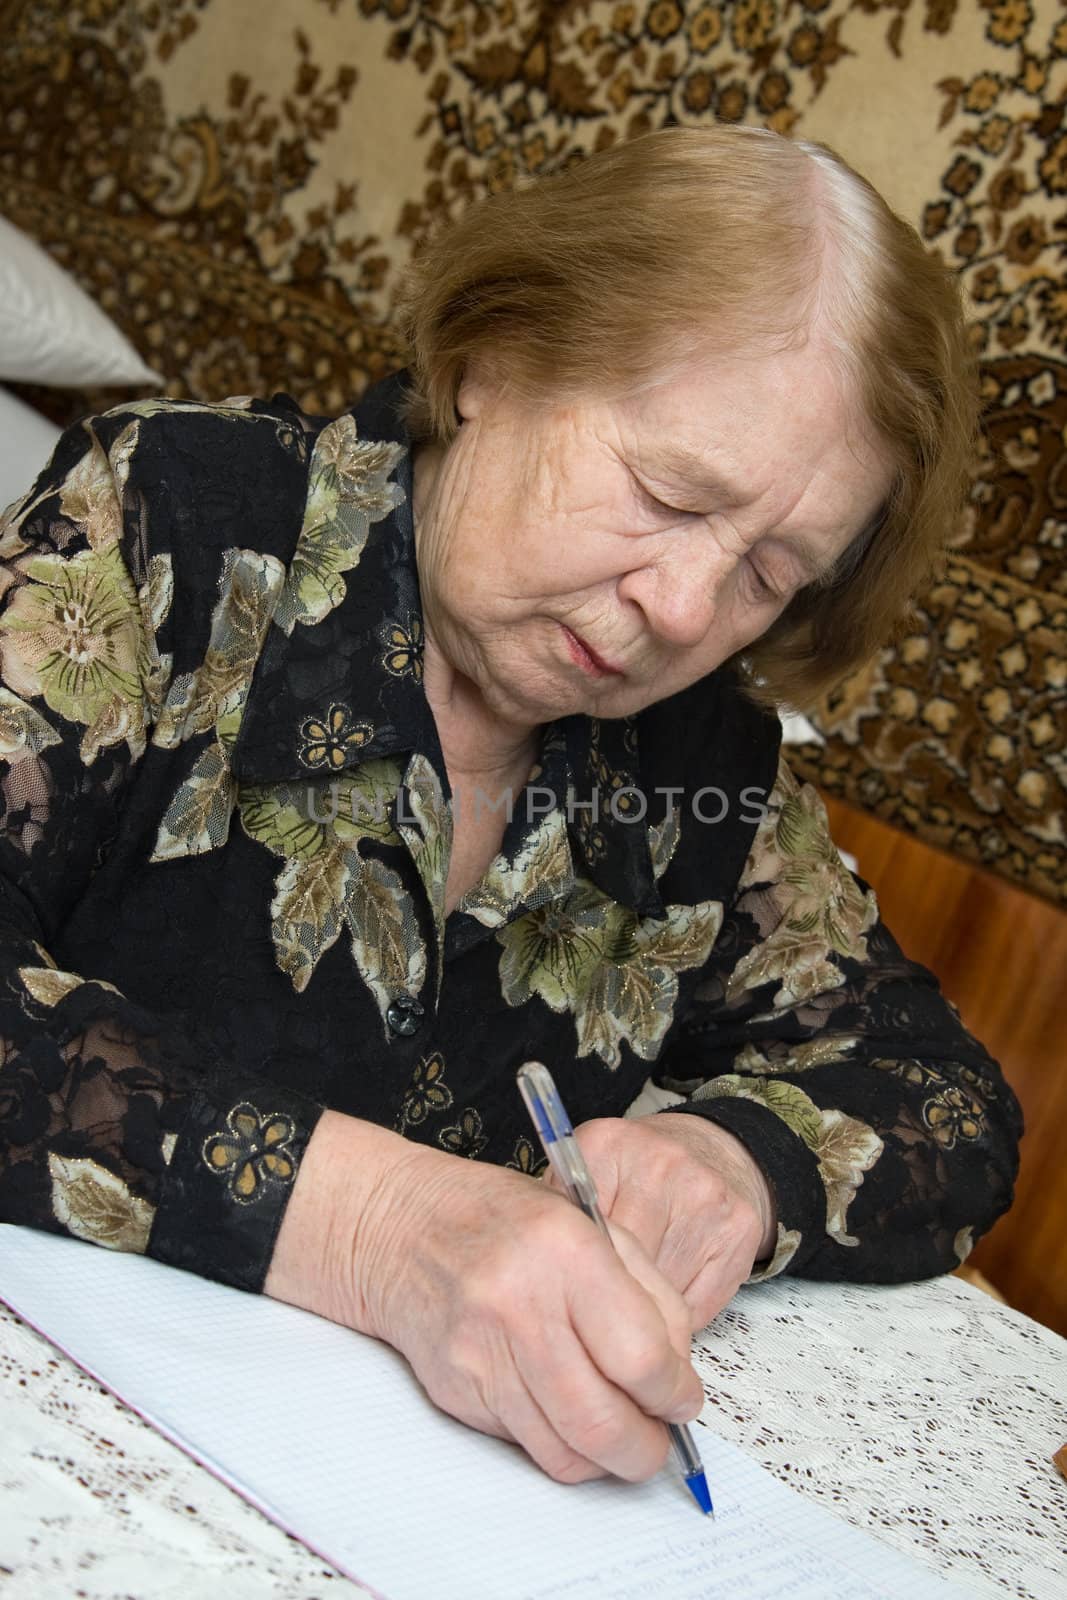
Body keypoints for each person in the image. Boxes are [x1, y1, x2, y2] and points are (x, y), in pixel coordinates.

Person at [0, 126, 1021, 1492]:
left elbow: (943, 1096)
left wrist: (739, 1160)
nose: (685, 611)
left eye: (770, 572)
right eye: (667, 492)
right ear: (495, 359)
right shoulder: (164, 524)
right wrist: (385, 1231)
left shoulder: (697, 753)